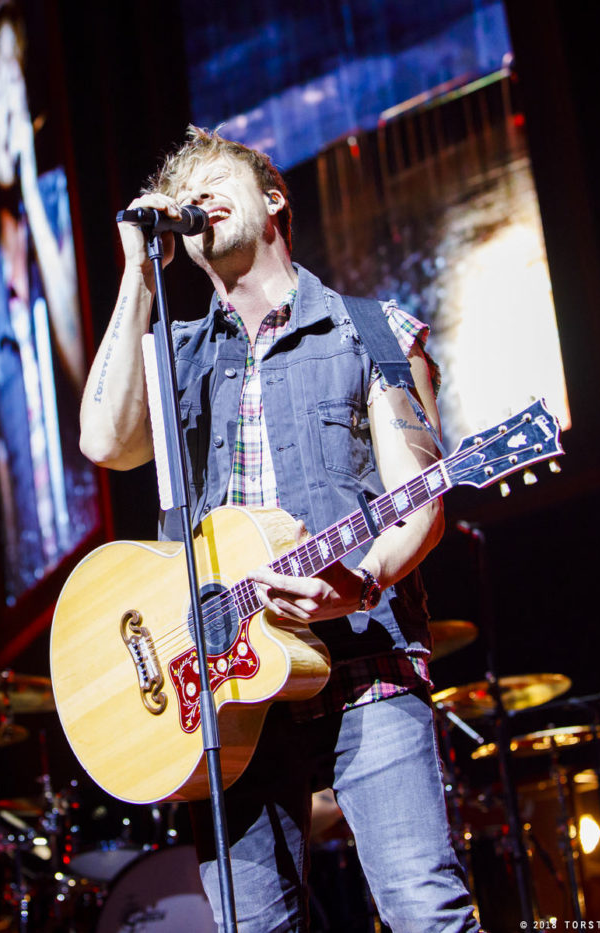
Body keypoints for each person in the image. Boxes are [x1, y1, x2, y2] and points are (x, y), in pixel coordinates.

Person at [79, 126, 483, 932]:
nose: (195, 196)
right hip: (228, 697)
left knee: (424, 907)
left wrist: (359, 583)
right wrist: (138, 275)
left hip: (364, 664)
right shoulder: (177, 356)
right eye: (183, 193)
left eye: (213, 178)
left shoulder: (373, 332)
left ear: (273, 198)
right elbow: (104, 440)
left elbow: (419, 501)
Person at [0, 0, 97, 601]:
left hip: (94, 539)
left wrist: (28, 185)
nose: (4, 113)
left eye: (14, 88)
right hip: (38, 574)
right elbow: (0, 468)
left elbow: (83, 364)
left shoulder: (58, 205)